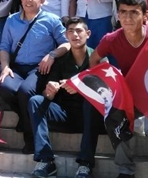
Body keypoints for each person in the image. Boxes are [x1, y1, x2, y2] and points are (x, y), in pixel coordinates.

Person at [88, 0, 148, 178]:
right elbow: (94, 59)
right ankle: (125, 170)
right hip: (132, 95)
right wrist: (108, 81)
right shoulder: (111, 39)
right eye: (123, 12)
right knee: (114, 114)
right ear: (118, 15)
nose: (127, 17)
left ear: (145, 15)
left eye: (134, 12)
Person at [0, 0, 70, 154]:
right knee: (5, 87)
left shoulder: (51, 20)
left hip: (39, 69)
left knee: (25, 91)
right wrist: (5, 67)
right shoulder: (11, 20)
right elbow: (4, 47)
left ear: (42, 0)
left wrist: (52, 55)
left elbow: (66, 44)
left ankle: (29, 138)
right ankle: (26, 117)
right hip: (16, 67)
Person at [28, 17, 102, 178]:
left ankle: (85, 164)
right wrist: (50, 92)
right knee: (35, 101)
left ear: (88, 34)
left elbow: (106, 94)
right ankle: (46, 160)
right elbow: (46, 94)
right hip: (64, 114)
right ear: (66, 36)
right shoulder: (60, 61)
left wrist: (80, 88)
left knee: (91, 104)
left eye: (79, 31)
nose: (75, 35)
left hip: (89, 117)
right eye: (70, 31)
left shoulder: (98, 59)